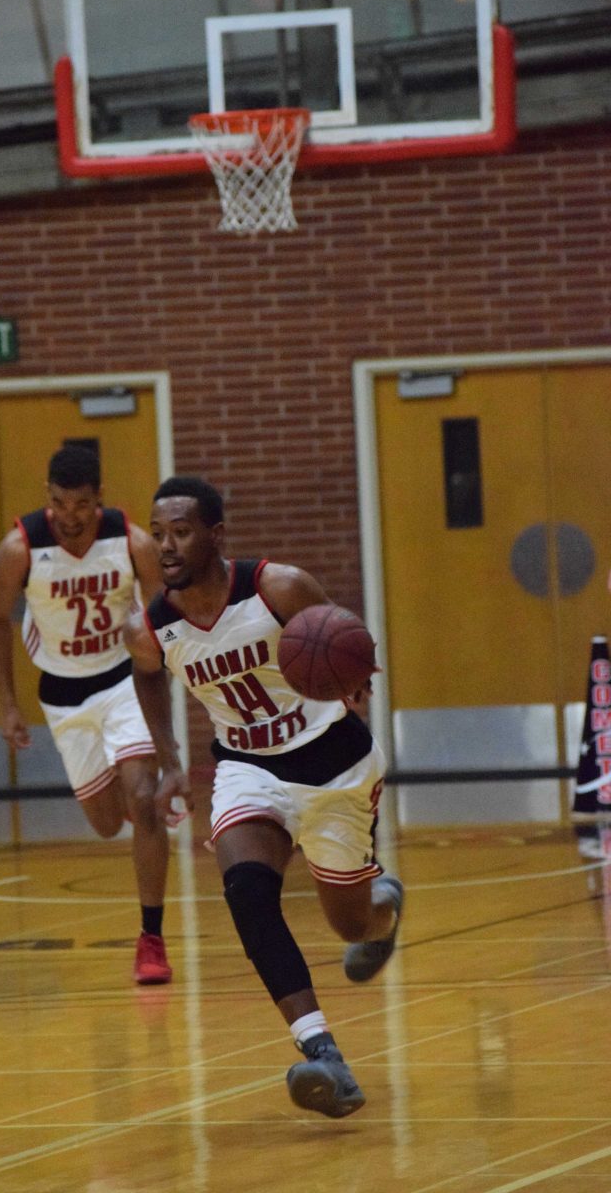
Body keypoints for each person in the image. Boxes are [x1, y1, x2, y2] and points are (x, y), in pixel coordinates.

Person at [124, 476, 403, 1117]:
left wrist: (353, 678)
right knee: (247, 894)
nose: (166, 546)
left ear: (216, 536)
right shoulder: (153, 629)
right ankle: (322, 1053)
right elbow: (146, 680)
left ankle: (382, 910)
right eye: (158, 533)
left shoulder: (278, 587)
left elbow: (345, 642)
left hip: (335, 765)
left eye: (182, 532)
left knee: (349, 923)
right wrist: (170, 762)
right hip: (249, 769)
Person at [0, 445, 172, 985]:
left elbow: (165, 616)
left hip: (122, 682)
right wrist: (7, 705)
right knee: (108, 823)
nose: (69, 516)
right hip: (62, 695)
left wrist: (169, 675)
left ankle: (151, 941)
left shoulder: (133, 543)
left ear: (99, 500)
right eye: (60, 503)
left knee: (143, 798)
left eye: (81, 505)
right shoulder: (21, 549)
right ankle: (144, 809)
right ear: (48, 497)